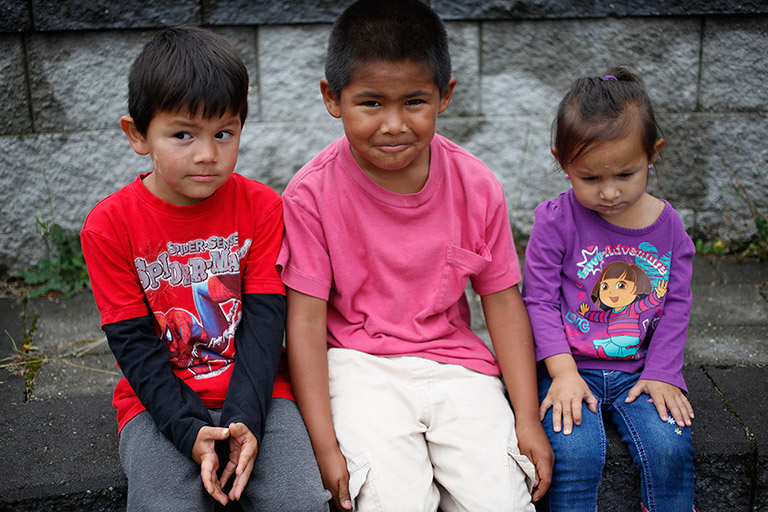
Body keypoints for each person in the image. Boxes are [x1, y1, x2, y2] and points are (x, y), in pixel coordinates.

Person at [277, 1, 553, 511]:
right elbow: (307, 326)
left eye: (413, 102)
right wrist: (325, 446)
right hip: (358, 369)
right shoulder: (311, 195)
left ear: (444, 97)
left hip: (458, 368)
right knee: (393, 502)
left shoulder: (476, 185)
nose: (393, 124)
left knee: (503, 502)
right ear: (331, 98)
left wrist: (526, 417)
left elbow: (503, 302)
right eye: (371, 103)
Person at [80, 26, 330, 512]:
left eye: (223, 133)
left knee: (299, 499)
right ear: (137, 134)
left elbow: (263, 325)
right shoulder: (109, 226)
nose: (207, 155)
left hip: (262, 396)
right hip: (156, 406)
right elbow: (133, 343)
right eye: (182, 135)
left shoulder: (262, 207)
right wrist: (188, 429)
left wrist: (243, 423)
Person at [522, 67, 696, 511]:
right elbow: (538, 300)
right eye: (590, 178)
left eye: (624, 174)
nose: (609, 192)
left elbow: (676, 304)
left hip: (639, 370)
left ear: (652, 153)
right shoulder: (555, 221)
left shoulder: (669, 227)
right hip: (568, 366)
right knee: (573, 452)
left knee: (670, 446)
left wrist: (662, 372)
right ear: (562, 160)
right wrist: (561, 373)